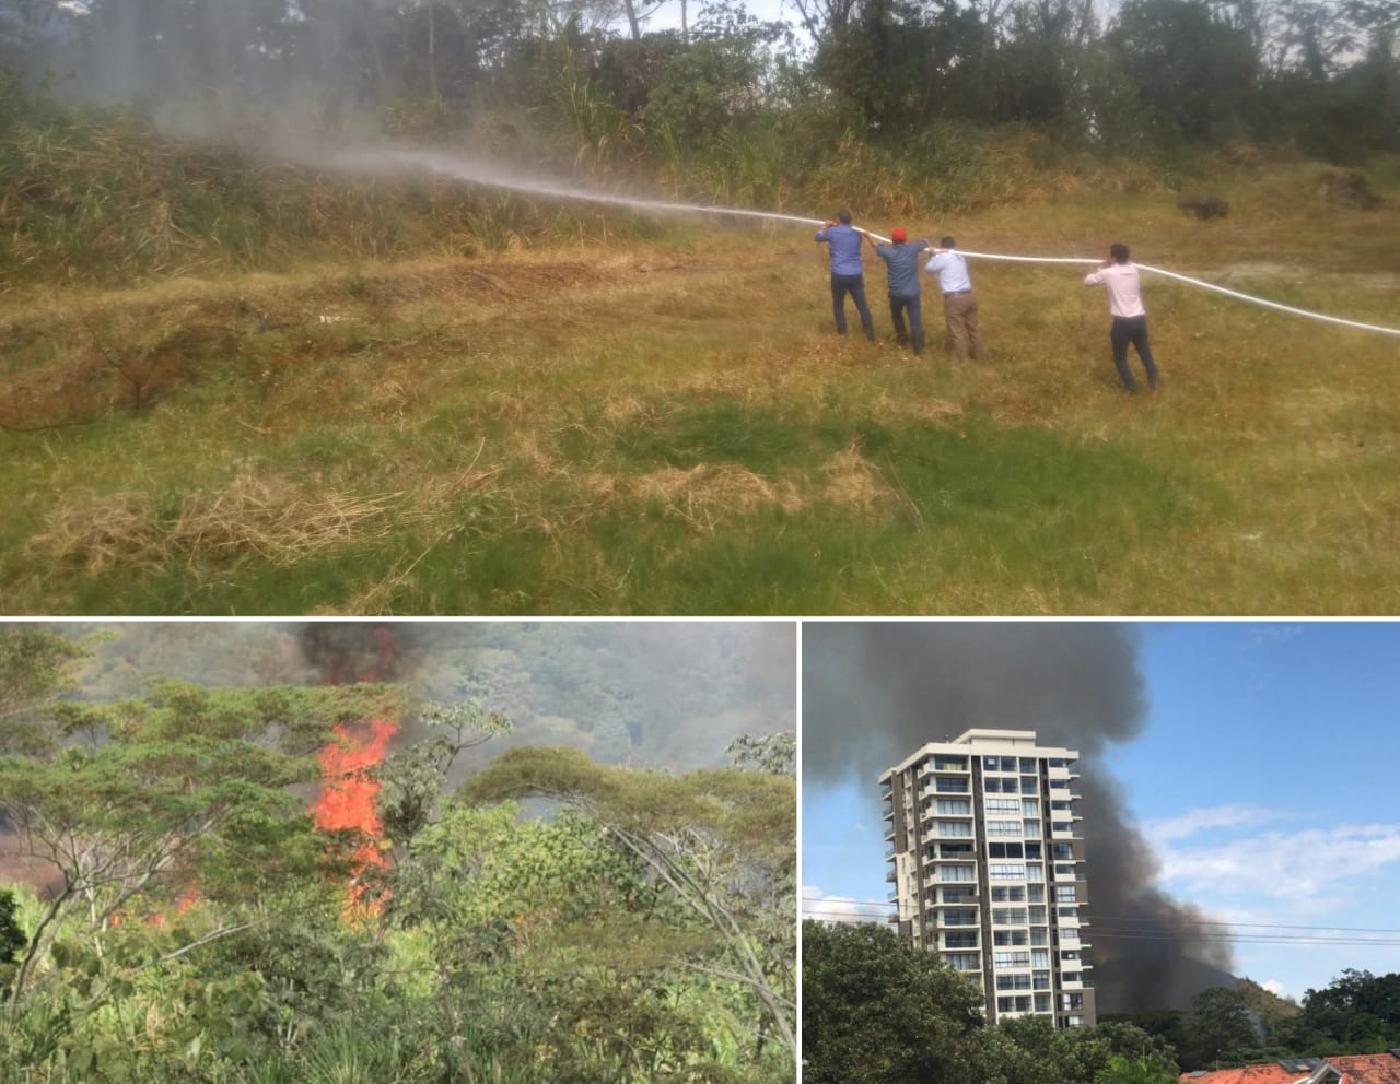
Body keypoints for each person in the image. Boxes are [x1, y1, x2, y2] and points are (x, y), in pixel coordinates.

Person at [1084, 242, 1159, 393]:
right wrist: (1111, 266)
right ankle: (1155, 384)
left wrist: (1102, 268)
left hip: (1122, 323)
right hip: (1139, 320)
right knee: (1145, 352)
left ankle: (1132, 390)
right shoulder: (1135, 270)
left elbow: (1088, 281)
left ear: (1113, 258)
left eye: (1109, 255)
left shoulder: (1109, 273)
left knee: (1120, 358)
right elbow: (1126, 267)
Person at [867, 227, 929, 355]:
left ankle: (902, 337)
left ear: (893, 240)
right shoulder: (912, 249)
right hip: (913, 293)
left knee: (896, 316)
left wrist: (868, 236)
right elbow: (925, 242)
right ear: (905, 240)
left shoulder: (889, 253)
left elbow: (876, 246)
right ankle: (919, 349)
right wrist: (913, 244)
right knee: (915, 321)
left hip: (896, 293)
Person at [815, 210, 875, 341]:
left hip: (839, 274)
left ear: (839, 219)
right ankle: (870, 333)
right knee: (862, 306)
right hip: (855, 274)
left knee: (838, 304)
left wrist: (826, 226)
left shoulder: (832, 231)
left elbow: (818, 237)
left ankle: (842, 331)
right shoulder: (857, 234)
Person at [923, 237, 985, 362]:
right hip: (969, 297)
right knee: (974, 330)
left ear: (942, 246)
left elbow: (929, 268)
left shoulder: (942, 258)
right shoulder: (961, 257)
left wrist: (931, 254)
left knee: (957, 332)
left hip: (954, 299)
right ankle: (981, 359)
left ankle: (963, 363)